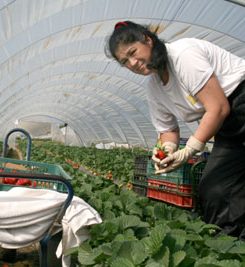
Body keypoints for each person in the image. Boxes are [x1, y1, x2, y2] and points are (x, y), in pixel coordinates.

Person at [105, 20, 245, 240]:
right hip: (230, 127)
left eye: (133, 52)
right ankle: (230, 248)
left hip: (240, 101)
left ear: (147, 40)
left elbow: (218, 107)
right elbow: (168, 129)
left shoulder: (183, 55)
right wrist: (167, 148)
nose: (133, 63)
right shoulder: (154, 87)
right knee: (215, 189)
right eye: (125, 61)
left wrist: (189, 150)